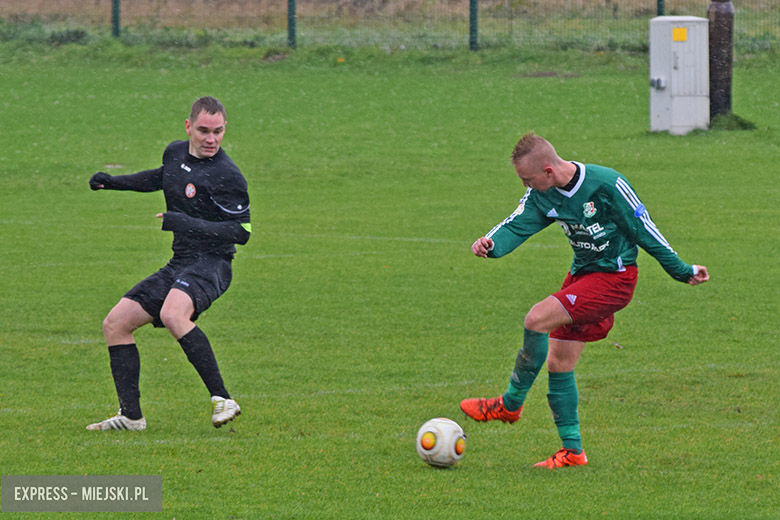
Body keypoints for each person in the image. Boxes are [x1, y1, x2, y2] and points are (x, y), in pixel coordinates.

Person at [460, 132, 709, 468]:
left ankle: (510, 404)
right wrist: (491, 244)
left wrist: (681, 270)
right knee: (559, 362)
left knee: (536, 319)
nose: (525, 186)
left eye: (528, 179)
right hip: (582, 277)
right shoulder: (541, 194)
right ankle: (573, 452)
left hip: (614, 279)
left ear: (548, 171)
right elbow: (518, 223)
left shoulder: (606, 185)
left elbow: (644, 229)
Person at [86, 96, 251, 431]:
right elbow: (161, 177)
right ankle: (131, 417)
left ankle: (223, 398)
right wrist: (114, 182)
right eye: (204, 130)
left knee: (173, 314)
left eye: (218, 131)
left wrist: (185, 223)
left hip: (213, 263)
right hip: (181, 262)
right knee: (116, 323)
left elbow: (242, 232)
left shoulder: (227, 175)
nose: (211, 139)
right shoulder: (175, 152)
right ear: (188, 127)